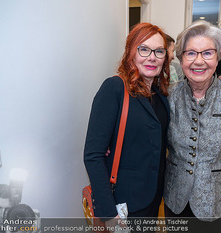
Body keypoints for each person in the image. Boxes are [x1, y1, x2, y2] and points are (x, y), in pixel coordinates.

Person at [163, 20, 221, 233]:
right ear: (180, 58)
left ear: (218, 57)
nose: (199, 61)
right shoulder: (169, 96)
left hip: (218, 199)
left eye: (207, 53)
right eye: (190, 53)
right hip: (176, 197)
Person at [83, 22, 171, 231]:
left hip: (152, 199)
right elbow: (93, 155)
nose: (152, 57)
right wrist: (109, 212)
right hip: (122, 204)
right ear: (131, 53)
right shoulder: (114, 88)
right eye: (144, 49)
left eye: (159, 51)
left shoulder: (161, 95)